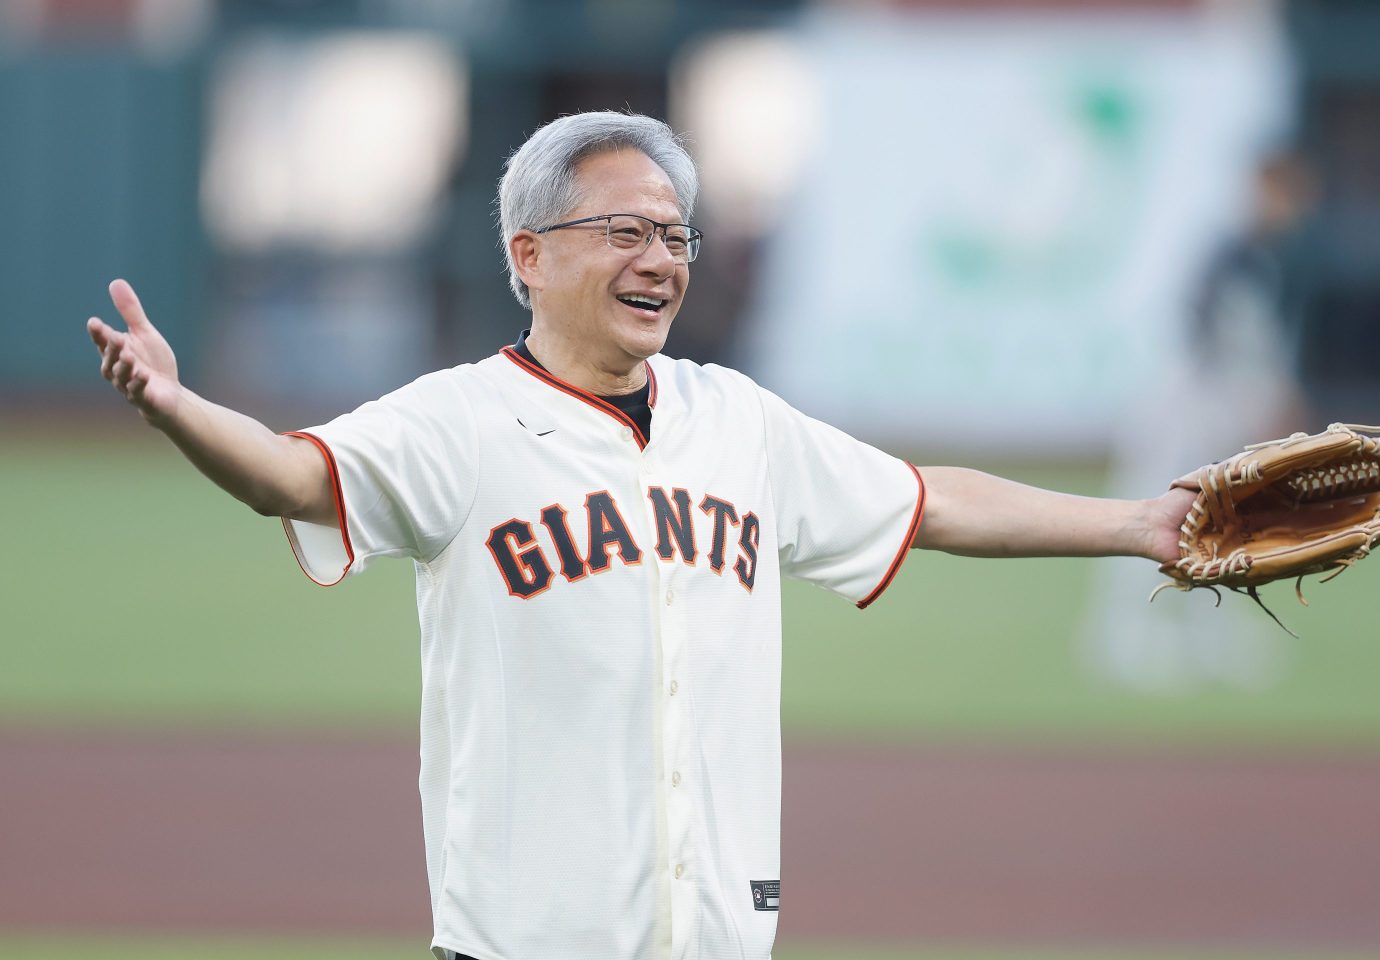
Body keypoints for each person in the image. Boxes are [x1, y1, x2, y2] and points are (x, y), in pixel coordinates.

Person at [87, 111, 1193, 960]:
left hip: (715, 936)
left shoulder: (738, 420)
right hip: (526, 942)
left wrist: (1140, 522)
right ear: (529, 255)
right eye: (626, 232)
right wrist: (181, 409)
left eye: (675, 235)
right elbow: (289, 475)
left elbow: (927, 501)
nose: (661, 258)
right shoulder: (458, 423)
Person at [1078, 151, 1316, 693]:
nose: (1289, 206)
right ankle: (1123, 636)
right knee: (1149, 515)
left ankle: (1211, 635)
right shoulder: (1230, 252)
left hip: (1218, 404)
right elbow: (1212, 335)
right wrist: (1263, 393)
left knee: (1224, 522)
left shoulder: (1270, 256)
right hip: (1184, 401)